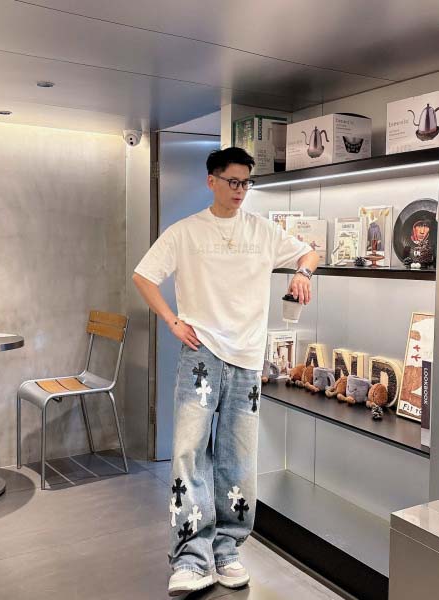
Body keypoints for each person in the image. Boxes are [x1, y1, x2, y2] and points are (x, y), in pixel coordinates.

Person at [132, 147, 319, 596]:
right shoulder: (185, 231)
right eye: (233, 181)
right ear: (211, 180)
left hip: (248, 358)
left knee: (239, 457)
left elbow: (309, 252)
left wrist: (304, 274)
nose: (240, 190)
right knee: (189, 453)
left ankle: (227, 550)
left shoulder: (262, 230)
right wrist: (173, 321)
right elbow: (143, 275)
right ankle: (190, 557)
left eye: (246, 183)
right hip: (201, 355)